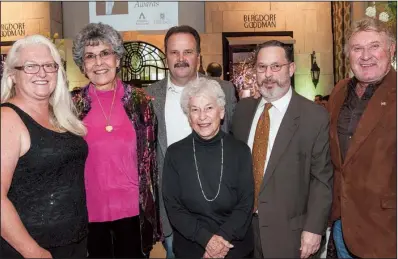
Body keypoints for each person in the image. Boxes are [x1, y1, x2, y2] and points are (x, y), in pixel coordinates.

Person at [231, 40, 333, 258]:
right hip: (243, 234)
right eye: (262, 67)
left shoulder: (314, 117)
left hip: (290, 236)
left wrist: (314, 229)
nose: (268, 74)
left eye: (276, 66)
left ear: (291, 69)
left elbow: (321, 179)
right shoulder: (242, 112)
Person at [145, 25, 237, 258]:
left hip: (219, 210)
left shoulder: (224, 91)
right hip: (172, 213)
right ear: (166, 57)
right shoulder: (148, 97)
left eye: (188, 52)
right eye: (174, 52)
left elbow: (235, 145)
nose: (181, 58)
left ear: (199, 56)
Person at [71, 23, 161, 258]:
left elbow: (151, 162)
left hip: (132, 213)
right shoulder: (71, 107)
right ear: (83, 65)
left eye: (105, 53)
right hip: (88, 214)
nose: (98, 62)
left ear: (118, 59)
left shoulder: (140, 102)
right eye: (90, 56)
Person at [1, 35, 88, 258]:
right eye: (30, 66)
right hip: (31, 248)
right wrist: (33, 252)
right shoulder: (7, 119)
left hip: (73, 243)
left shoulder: (61, 116)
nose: (42, 73)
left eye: (49, 65)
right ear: (12, 75)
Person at [327, 17, 396, 258]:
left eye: (374, 46)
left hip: (385, 231)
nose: (366, 56)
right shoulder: (339, 91)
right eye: (357, 48)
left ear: (391, 49)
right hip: (341, 226)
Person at [162, 77, 254, 258]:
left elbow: (245, 203)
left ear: (221, 112)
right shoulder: (174, 154)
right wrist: (207, 240)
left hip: (234, 246)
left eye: (209, 108)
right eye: (195, 110)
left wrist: (220, 241)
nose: (202, 116)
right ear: (188, 116)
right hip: (192, 247)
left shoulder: (241, 151)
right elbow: (173, 207)